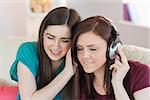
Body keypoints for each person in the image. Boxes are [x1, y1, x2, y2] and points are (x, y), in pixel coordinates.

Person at [9, 7, 80, 100]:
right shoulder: (28, 50)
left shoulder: (79, 58)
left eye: (65, 40)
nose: (56, 46)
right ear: (42, 33)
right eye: (50, 37)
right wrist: (67, 73)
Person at [72, 16, 150, 100]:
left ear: (112, 49)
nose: (84, 56)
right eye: (79, 48)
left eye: (93, 49)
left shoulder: (140, 73)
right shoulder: (79, 78)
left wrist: (117, 85)